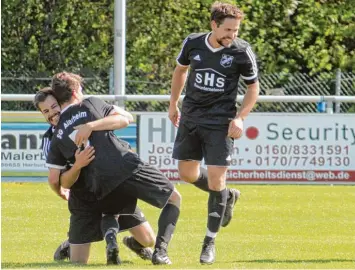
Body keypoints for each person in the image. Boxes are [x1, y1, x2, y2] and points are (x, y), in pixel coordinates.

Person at [46, 72, 182, 265]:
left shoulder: (57, 134)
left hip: (97, 181)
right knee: (174, 198)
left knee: (85, 250)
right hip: (124, 165)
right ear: (76, 92)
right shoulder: (89, 103)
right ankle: (160, 252)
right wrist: (91, 125)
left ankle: (109, 241)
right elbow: (124, 120)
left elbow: (56, 180)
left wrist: (71, 173)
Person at [169, 1, 260, 264]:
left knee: (216, 181)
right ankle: (226, 196)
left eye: (236, 30)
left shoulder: (242, 52)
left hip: (221, 123)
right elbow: (180, 71)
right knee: (187, 174)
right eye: (228, 30)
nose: (233, 35)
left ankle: (209, 242)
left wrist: (241, 118)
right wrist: (173, 103)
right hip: (191, 118)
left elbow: (253, 88)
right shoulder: (193, 43)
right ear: (214, 25)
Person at [34, 88, 156, 264]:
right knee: (79, 262)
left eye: (55, 106)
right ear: (42, 114)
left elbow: (126, 117)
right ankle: (71, 243)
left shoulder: (87, 113)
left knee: (149, 240)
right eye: (46, 111)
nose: (52, 113)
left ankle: (134, 244)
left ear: (63, 103)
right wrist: (76, 168)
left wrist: (94, 120)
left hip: (112, 185)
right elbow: (56, 179)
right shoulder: (50, 141)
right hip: (84, 195)